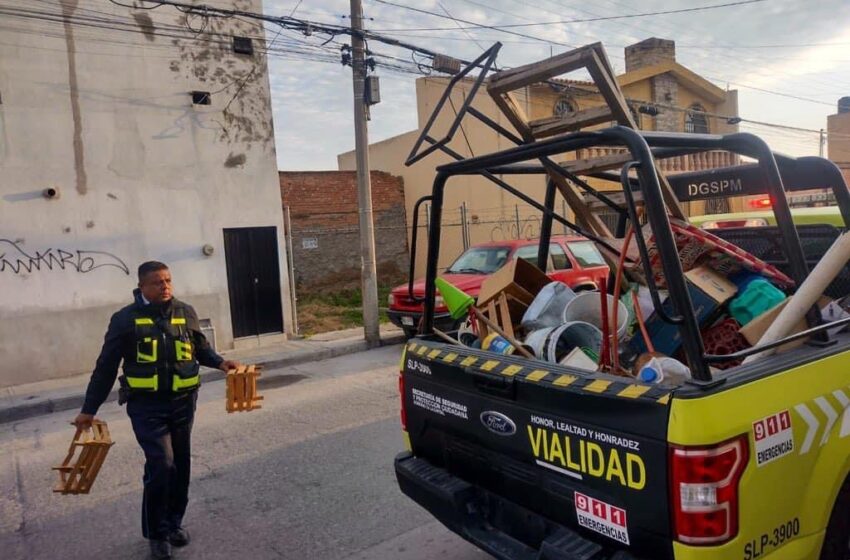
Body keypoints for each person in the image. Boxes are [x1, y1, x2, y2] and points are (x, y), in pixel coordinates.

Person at [74, 261, 239, 560]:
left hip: (184, 402)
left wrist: (219, 362)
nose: (165, 286)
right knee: (162, 464)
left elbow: (199, 347)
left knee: (181, 466)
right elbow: (106, 367)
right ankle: (156, 533)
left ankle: (174, 523)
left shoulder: (185, 311)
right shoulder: (124, 319)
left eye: (168, 280)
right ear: (142, 287)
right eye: (157, 282)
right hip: (146, 406)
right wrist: (89, 408)